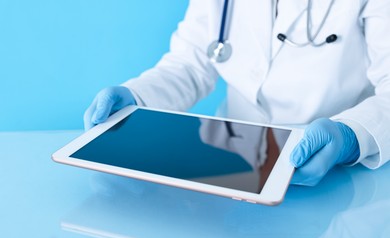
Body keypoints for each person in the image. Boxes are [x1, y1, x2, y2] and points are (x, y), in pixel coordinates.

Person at [84, 0, 390, 186]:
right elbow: (191, 63)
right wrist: (137, 97)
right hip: (231, 164)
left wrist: (349, 137)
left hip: (337, 172)